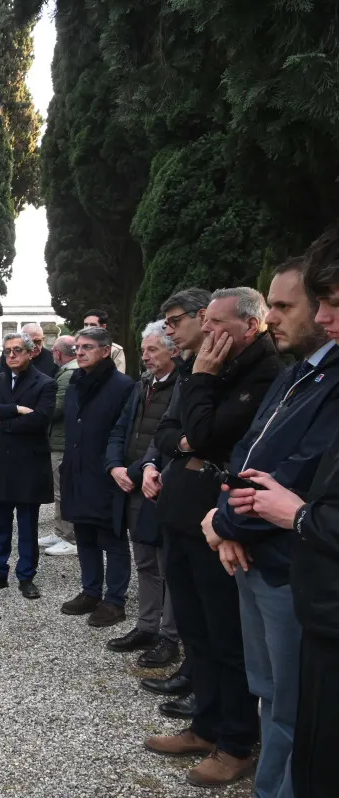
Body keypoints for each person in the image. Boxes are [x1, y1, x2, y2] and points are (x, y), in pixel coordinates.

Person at [205, 258, 339, 798]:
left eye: (285, 306)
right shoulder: (296, 373)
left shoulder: (328, 382)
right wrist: (224, 521)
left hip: (288, 564)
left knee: (291, 705)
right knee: (267, 691)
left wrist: (223, 520)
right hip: (250, 554)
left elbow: (297, 474)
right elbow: (244, 456)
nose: (272, 318)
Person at [144, 287, 281, 788]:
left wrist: (198, 397)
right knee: (197, 631)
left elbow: (202, 435)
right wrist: (188, 435)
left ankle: (237, 742)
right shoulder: (201, 370)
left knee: (226, 636)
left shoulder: (263, 372)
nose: (210, 329)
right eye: (207, 320)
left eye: (218, 321)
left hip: (220, 519)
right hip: (184, 509)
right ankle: (206, 724)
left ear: (252, 325)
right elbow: (170, 430)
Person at [137, 288, 212, 710]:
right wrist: (150, 465)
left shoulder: (210, 371)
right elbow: (163, 432)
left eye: (174, 322)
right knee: (173, 579)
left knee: (203, 600)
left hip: (199, 498)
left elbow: (204, 435)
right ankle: (190, 671)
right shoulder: (186, 372)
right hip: (167, 484)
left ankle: (207, 687)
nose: (170, 331)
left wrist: (181, 444)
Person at [103, 323, 182, 667]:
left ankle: (170, 635)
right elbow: (121, 428)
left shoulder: (182, 386)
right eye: (145, 350)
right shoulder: (142, 386)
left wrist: (134, 473)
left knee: (170, 566)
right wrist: (114, 466)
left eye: (152, 350)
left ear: (173, 351)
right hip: (132, 483)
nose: (145, 356)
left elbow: (165, 439)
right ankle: (147, 626)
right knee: (146, 561)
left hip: (159, 485)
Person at [59, 326, 135, 627]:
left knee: (112, 539)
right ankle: (90, 590)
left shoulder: (122, 386)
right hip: (77, 472)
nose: (79, 352)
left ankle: (115, 601)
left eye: (87, 347)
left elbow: (123, 434)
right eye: (78, 347)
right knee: (85, 536)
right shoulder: (76, 382)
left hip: (105, 474)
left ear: (106, 351)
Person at [0, 332, 56, 599]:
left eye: (17, 350)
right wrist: (16, 409)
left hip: (28, 463)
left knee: (27, 524)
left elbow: (40, 419)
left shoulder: (45, 383)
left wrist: (2, 421)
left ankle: (26, 575)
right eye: (7, 350)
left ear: (30, 352)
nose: (11, 355)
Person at [40, 336, 78, 556]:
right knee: (58, 491)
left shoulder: (68, 375)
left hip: (62, 442)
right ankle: (59, 531)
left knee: (63, 491)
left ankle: (69, 537)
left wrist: (37, 406)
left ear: (58, 353)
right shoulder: (66, 373)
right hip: (58, 440)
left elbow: (56, 408)